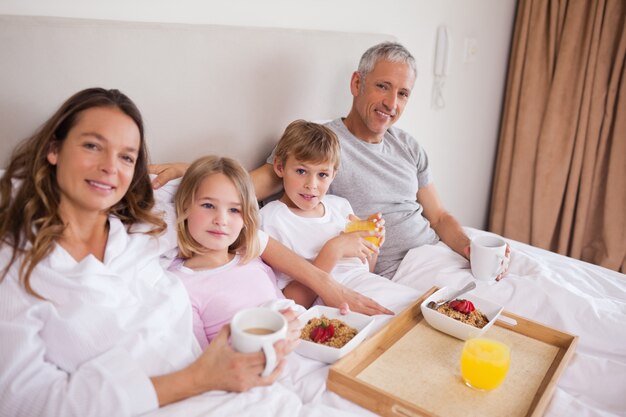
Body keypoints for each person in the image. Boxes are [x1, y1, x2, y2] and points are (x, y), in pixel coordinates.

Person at [0, 88, 338, 417]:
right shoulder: (17, 265)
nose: (110, 167)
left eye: (126, 157)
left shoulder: (145, 227)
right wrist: (200, 378)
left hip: (231, 388)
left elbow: (230, 199)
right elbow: (23, 403)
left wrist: (328, 283)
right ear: (53, 149)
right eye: (92, 146)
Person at [150, 41, 509, 281]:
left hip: (436, 252)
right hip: (400, 271)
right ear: (357, 84)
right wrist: (188, 170)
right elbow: (244, 185)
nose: (391, 103)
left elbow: (441, 216)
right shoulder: (320, 146)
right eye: (382, 87)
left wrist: (467, 247)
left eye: (402, 94)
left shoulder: (408, 146)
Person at [259, 119, 420, 313]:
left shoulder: (340, 206)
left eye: (322, 175)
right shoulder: (271, 220)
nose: (312, 184)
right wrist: (332, 250)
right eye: (301, 171)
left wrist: (372, 244)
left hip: (372, 287)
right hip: (336, 307)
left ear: (334, 174)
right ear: (279, 167)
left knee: (426, 312)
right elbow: (291, 301)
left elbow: (363, 271)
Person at [167, 154, 298, 348]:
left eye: (234, 210)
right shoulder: (179, 284)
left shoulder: (251, 260)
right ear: (186, 206)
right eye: (208, 205)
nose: (221, 220)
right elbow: (202, 364)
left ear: (246, 217)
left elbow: (284, 307)